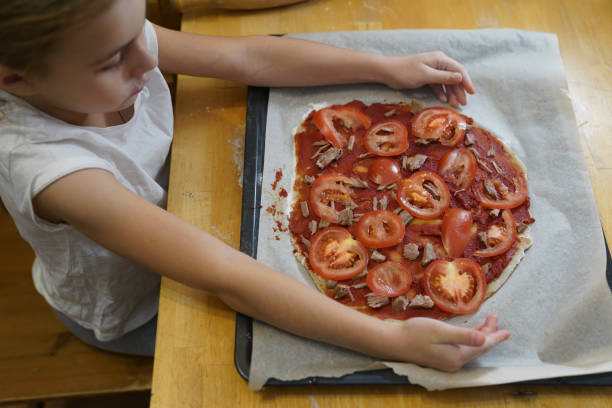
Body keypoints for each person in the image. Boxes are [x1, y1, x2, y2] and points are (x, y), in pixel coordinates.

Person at [0, 0, 509, 372]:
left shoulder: (109, 35)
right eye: (113, 60)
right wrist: (391, 340)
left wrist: (383, 68)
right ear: (14, 79)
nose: (148, 58)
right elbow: (223, 274)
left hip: (187, 218)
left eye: (142, 31)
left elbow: (249, 59)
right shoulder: (49, 168)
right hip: (139, 307)